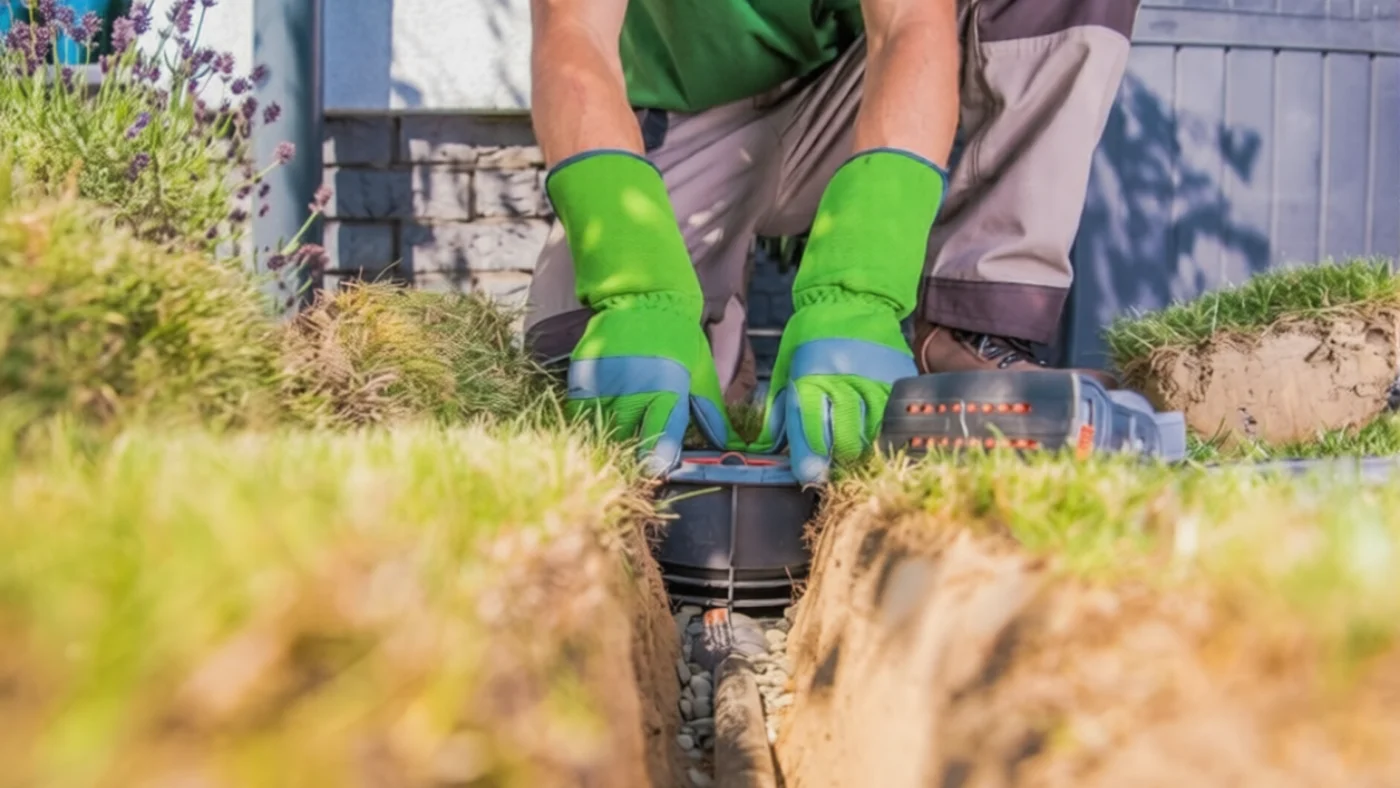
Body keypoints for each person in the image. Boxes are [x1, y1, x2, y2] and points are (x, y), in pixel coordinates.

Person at [521, 0, 1141, 484]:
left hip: (859, 95)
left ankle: (965, 326)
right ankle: (716, 344)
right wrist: (636, 291)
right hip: (681, 118)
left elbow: (909, 24)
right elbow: (572, 35)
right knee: (575, 369)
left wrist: (859, 292)